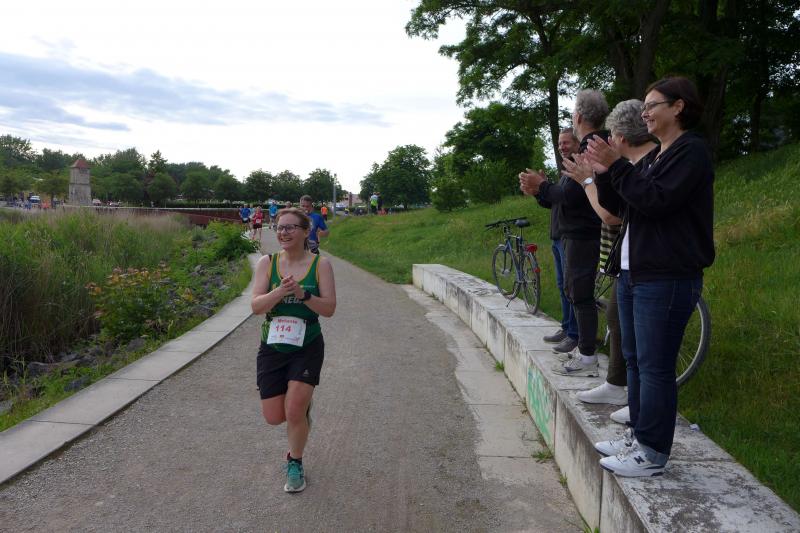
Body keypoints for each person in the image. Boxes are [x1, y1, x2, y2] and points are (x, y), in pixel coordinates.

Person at [585, 77, 714, 477]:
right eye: (643, 107)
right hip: (636, 274)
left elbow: (656, 201)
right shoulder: (658, 155)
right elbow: (624, 205)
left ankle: (653, 452)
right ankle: (639, 436)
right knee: (636, 361)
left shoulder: (691, 152)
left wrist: (617, 165)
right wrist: (603, 172)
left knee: (656, 366)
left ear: (678, 107)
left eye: (652, 105)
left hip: (666, 277)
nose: (645, 113)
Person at [563, 99, 659, 420]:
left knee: (638, 342)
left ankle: (639, 404)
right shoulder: (635, 164)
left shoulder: (644, 164)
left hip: (646, 264)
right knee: (619, 322)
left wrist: (588, 182)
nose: (608, 141)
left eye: (612, 135)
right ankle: (618, 385)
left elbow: (610, 215)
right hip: (628, 259)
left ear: (621, 135)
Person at [519, 89, 608, 377]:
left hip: (582, 235)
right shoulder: (593, 147)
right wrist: (540, 189)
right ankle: (583, 349)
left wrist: (541, 186)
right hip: (576, 233)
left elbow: (571, 195)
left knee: (580, 295)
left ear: (578, 117)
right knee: (573, 291)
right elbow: (564, 195)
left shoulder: (590, 149)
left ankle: (587, 356)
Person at [251, 207, 337, 492]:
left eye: (290, 227)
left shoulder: (320, 265)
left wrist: (303, 294)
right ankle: (301, 407)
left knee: (294, 410)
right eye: (279, 227)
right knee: (274, 417)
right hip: (273, 346)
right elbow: (256, 307)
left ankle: (295, 462)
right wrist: (279, 292)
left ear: (305, 232)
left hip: (307, 345)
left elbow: (329, 309)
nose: (283, 232)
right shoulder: (267, 263)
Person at [538, 128, 581, 354]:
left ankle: (574, 333)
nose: (561, 147)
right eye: (559, 143)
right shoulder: (566, 169)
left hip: (569, 236)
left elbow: (567, 198)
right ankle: (566, 327)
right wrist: (539, 191)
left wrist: (545, 187)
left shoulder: (578, 168)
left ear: (577, 143)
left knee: (570, 287)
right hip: (557, 236)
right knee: (562, 286)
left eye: (566, 143)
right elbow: (554, 202)